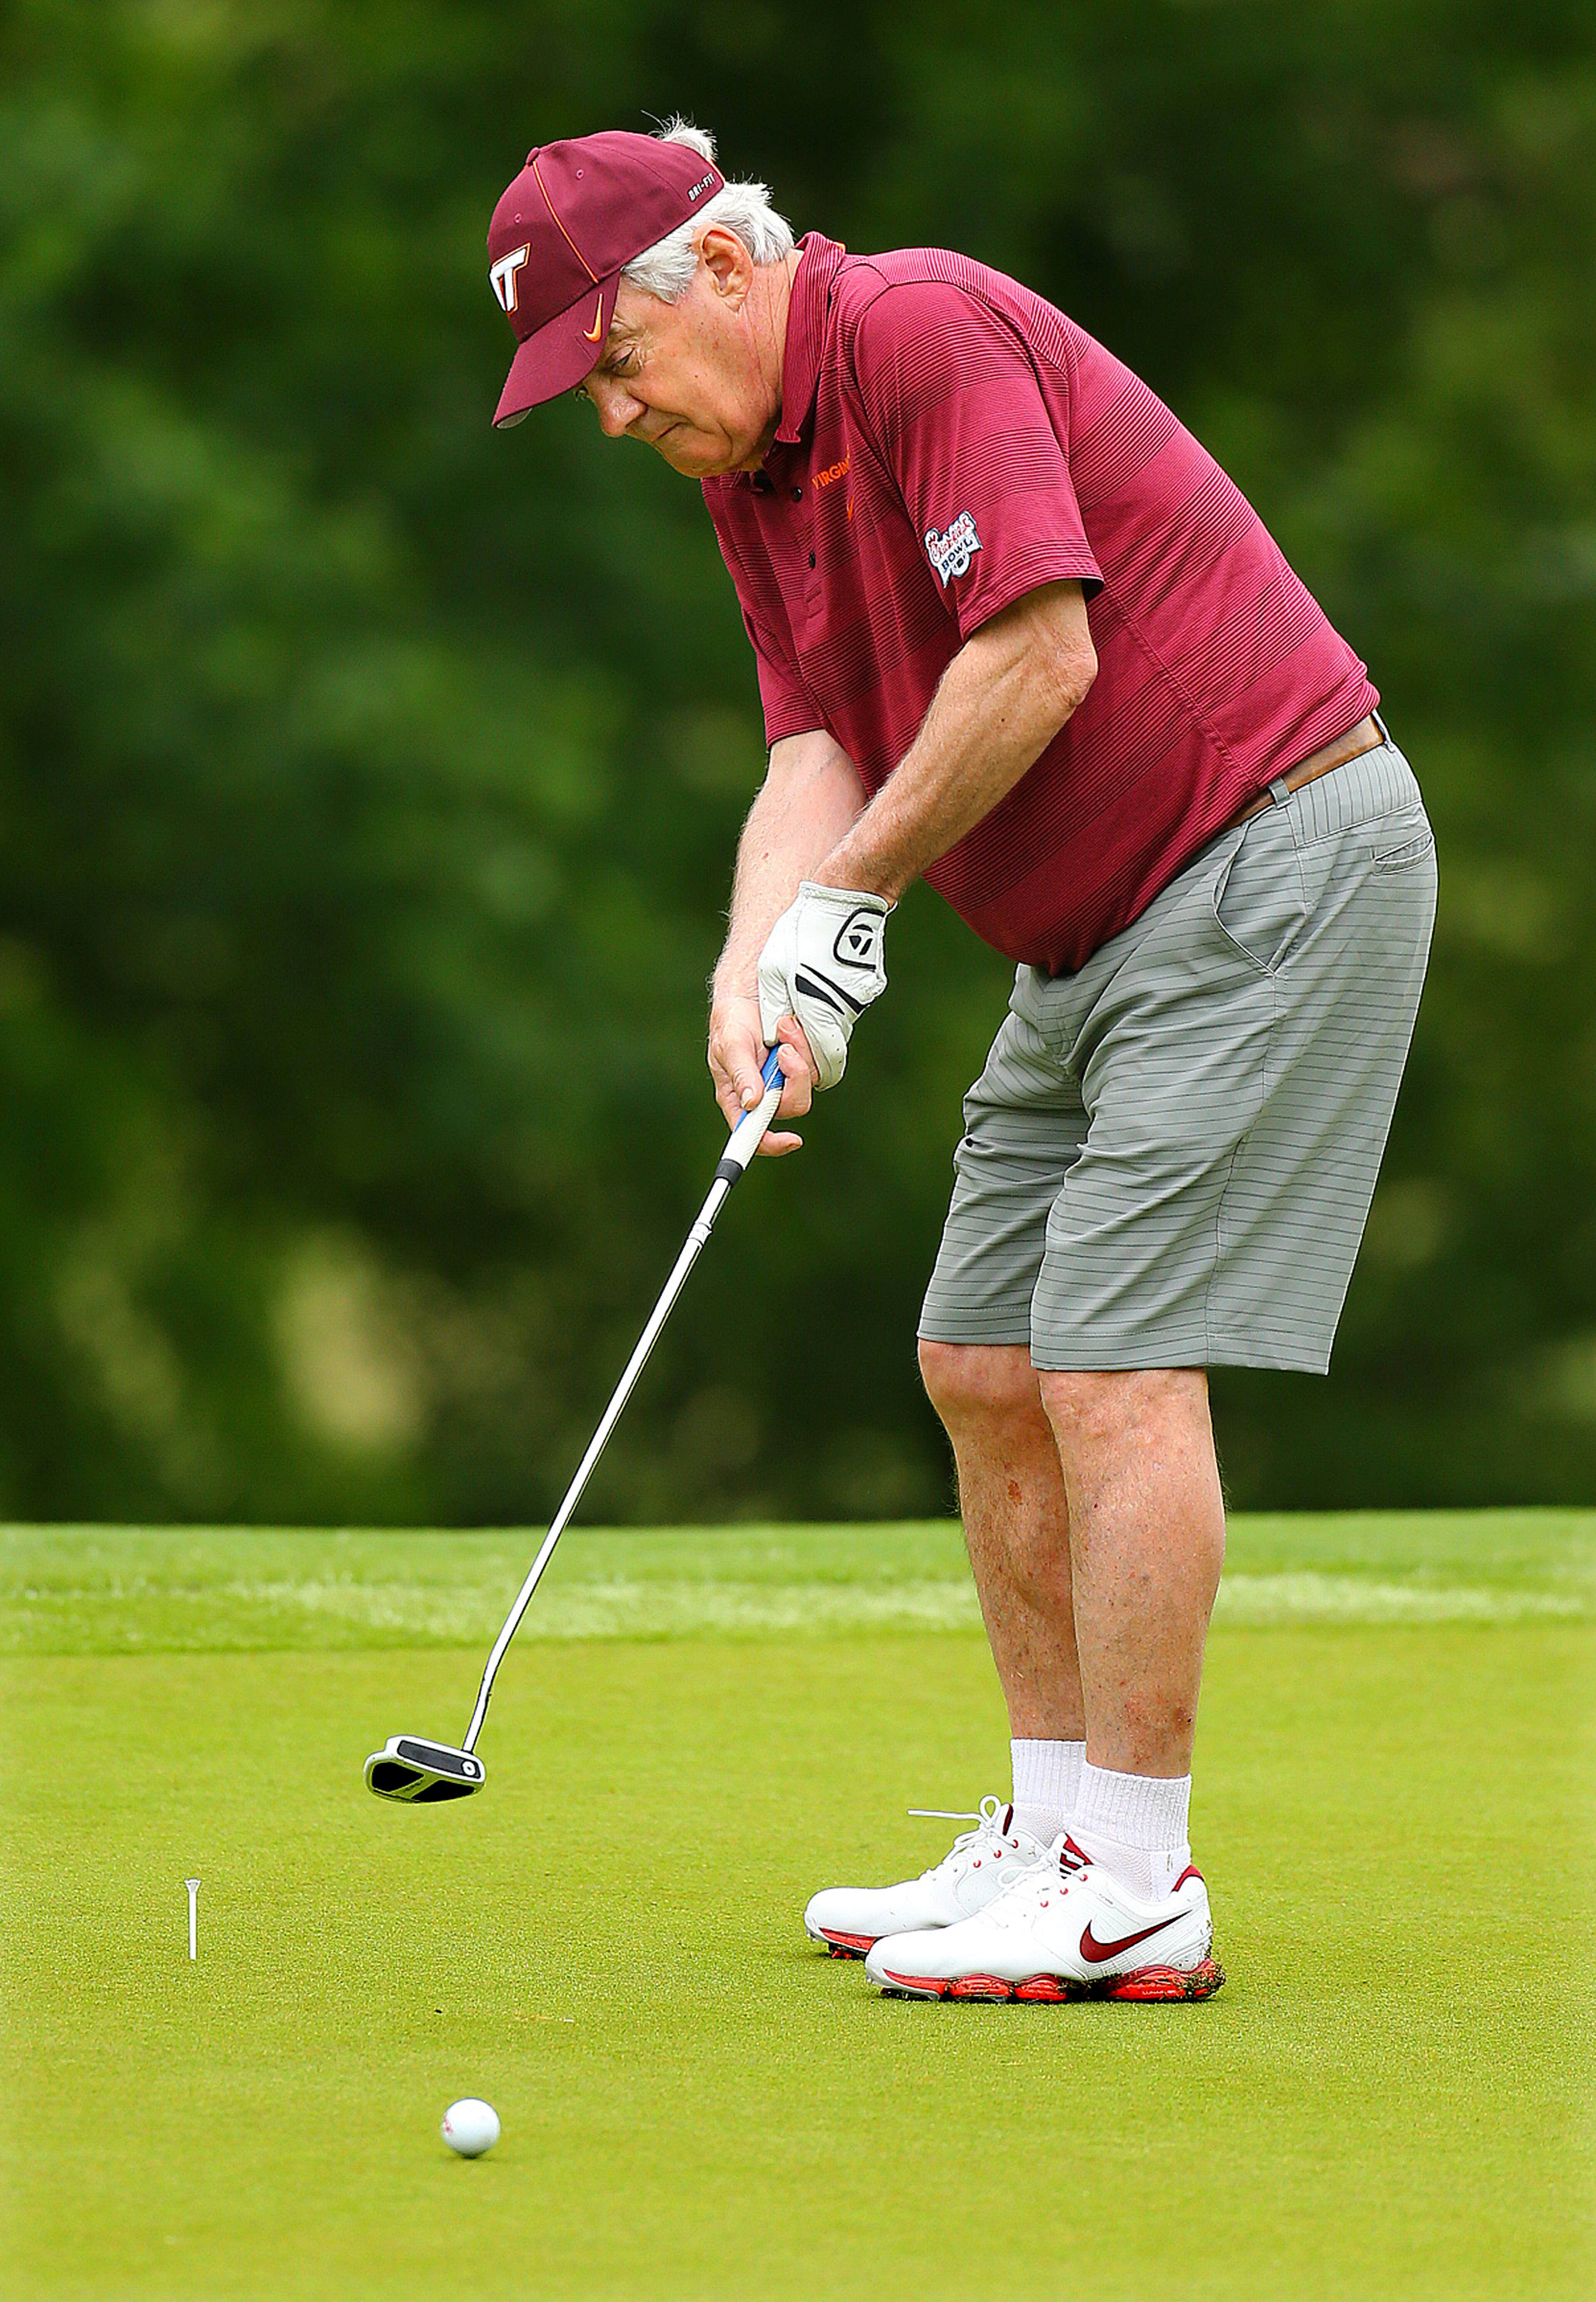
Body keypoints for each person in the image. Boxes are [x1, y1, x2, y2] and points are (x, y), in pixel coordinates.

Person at [486, 121, 1436, 2003]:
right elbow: (811, 754)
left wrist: (846, 906)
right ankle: (1052, 1818)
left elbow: (1039, 657)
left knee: (1104, 1359)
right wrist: (759, 964)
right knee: (979, 1352)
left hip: (1271, 845)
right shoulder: (746, 470)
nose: (611, 413)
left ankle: (1139, 1879)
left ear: (732, 272)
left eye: (614, 359)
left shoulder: (915, 335)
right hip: (1091, 925)